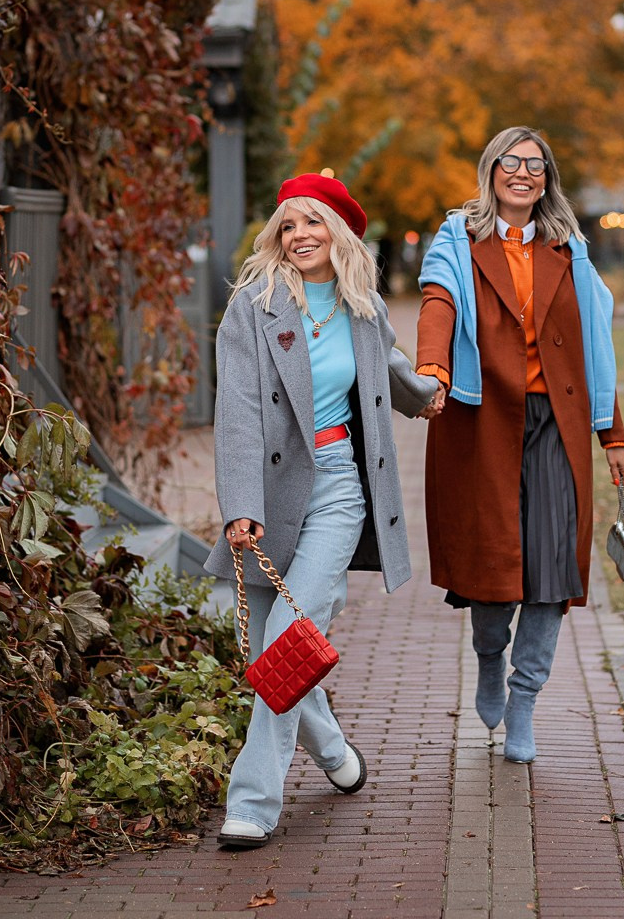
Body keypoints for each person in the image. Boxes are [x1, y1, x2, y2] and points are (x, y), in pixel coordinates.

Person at [204, 169, 445, 849]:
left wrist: (430, 392)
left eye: (312, 222)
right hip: (275, 491)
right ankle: (334, 750)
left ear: (337, 232)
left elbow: (392, 372)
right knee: (280, 642)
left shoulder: (362, 305)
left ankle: (252, 801)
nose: (300, 234)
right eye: (289, 224)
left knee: (284, 640)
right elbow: (239, 415)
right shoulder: (253, 307)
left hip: (341, 485)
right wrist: (240, 505)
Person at [416, 127, 624, 763]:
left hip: (556, 424)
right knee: (492, 570)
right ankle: (489, 657)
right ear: (491, 170)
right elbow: (437, 303)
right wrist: (432, 369)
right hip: (482, 421)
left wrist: (611, 433)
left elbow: (597, 348)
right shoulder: (459, 238)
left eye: (535, 165)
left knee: (551, 568)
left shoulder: (572, 249)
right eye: (510, 162)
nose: (522, 173)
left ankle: (525, 698)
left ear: (547, 179)